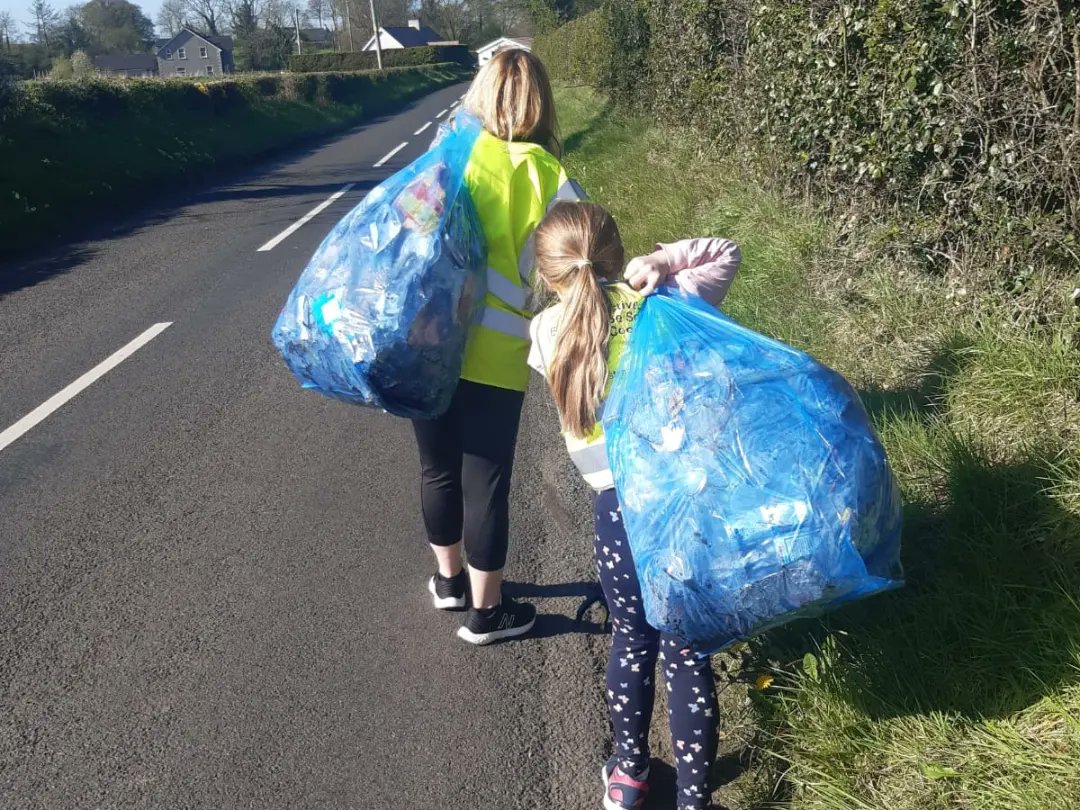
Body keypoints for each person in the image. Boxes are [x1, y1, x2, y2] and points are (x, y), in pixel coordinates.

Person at [528, 201, 740, 810]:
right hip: (678, 506)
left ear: (548, 275)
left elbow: (575, 313)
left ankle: (629, 776)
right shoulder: (664, 303)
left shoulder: (545, 333)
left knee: (631, 638)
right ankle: (694, 798)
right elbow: (724, 251)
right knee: (687, 648)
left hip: (616, 512)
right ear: (621, 258)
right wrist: (661, 264)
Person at [413, 49, 585, 645]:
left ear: (481, 92)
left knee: (437, 467)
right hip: (498, 344)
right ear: (541, 102)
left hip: (431, 340)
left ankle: (448, 581)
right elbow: (580, 258)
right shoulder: (545, 172)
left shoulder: (449, 154)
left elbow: (407, 232)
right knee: (485, 479)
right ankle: (487, 614)